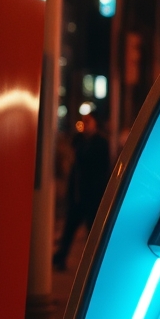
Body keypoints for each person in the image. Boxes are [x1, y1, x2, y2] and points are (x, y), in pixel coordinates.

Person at [53, 115, 111, 272]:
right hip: (78, 194)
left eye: (88, 122)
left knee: (92, 231)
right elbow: (74, 166)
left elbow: (103, 169)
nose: (85, 125)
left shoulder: (101, 142)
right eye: (84, 122)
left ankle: (93, 262)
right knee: (69, 228)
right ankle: (61, 257)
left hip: (92, 194)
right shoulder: (78, 140)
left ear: (95, 124)